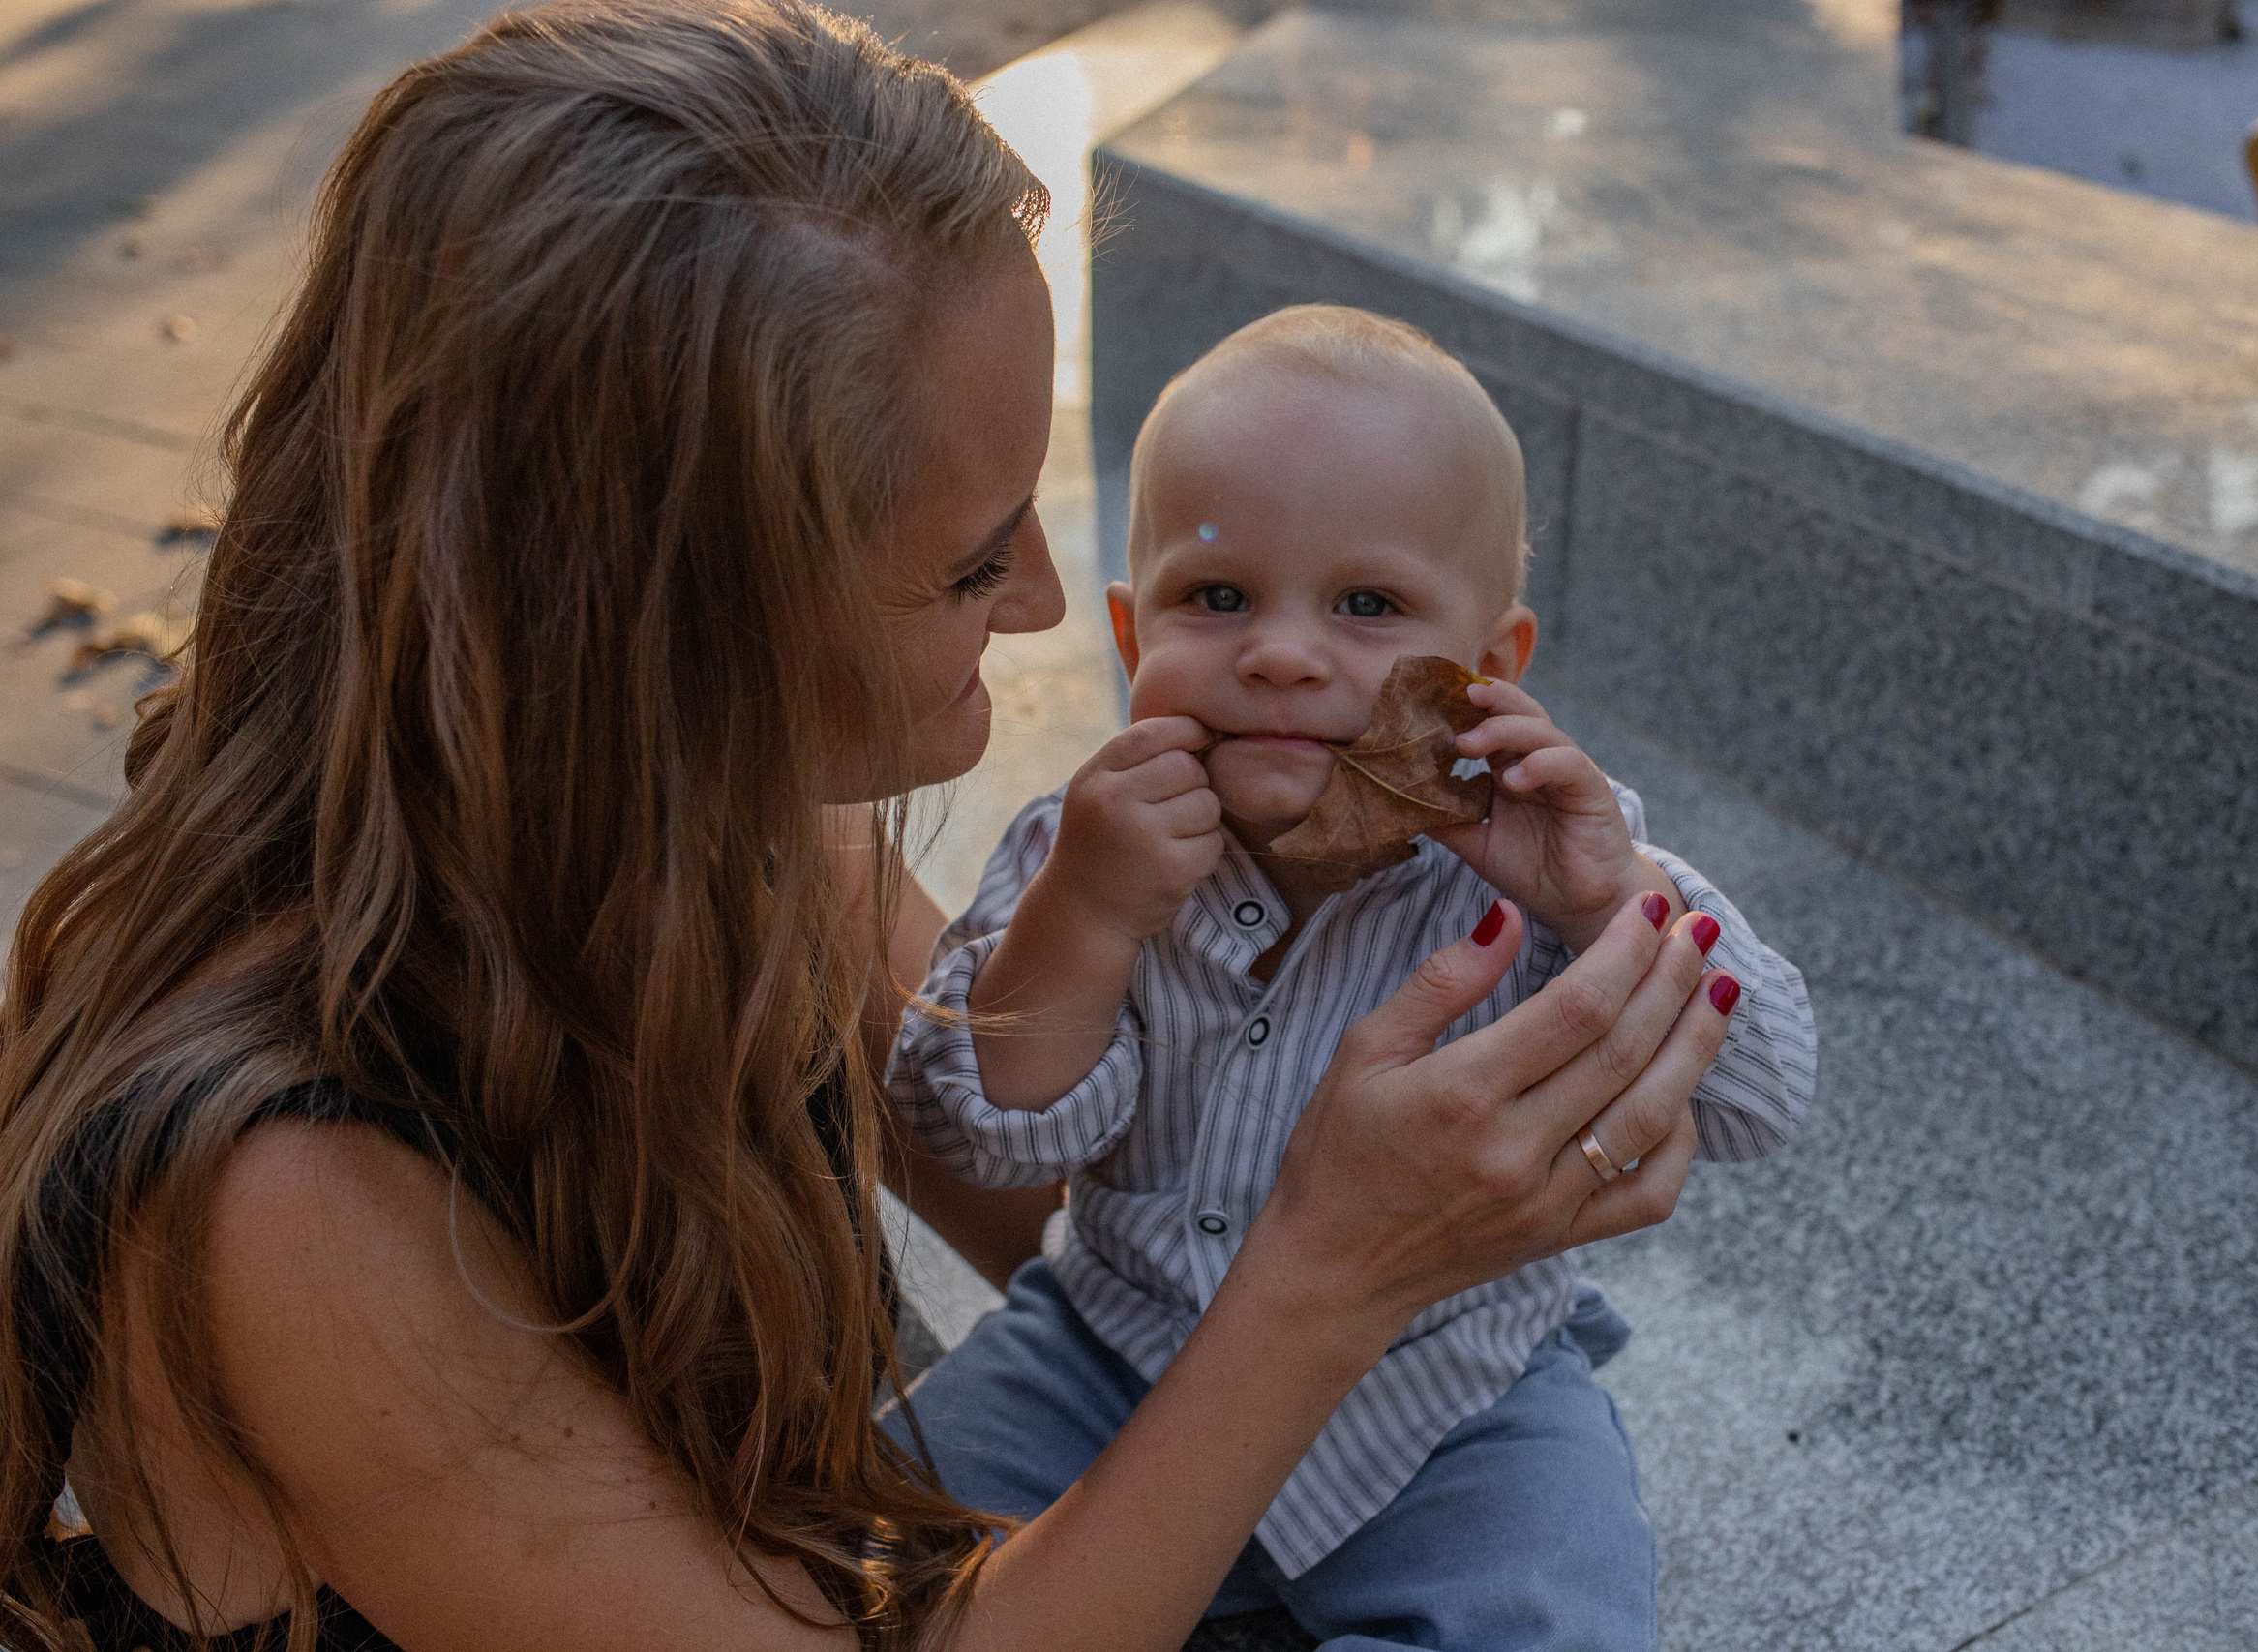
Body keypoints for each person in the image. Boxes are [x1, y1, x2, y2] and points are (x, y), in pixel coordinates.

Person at [0, 7, 1737, 1649]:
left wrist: (1351, 1012)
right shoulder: (289, 1197)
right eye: (978, 557)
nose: (1067, 607)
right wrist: (1333, 1272)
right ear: (672, 625)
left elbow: (1071, 1192)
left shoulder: (733, 839)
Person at [888, 305, 1817, 1648]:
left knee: (1552, 1613)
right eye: (1216, 598)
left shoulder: (1560, 858)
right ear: (1130, 638)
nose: (1279, 651)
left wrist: (1614, 903)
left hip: (1454, 1405)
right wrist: (1083, 920)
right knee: (858, 1546)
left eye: (1367, 606)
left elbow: (1764, 1099)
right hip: (1108, 1354)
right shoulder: (1082, 847)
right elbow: (974, 1129)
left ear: (1490, 669)